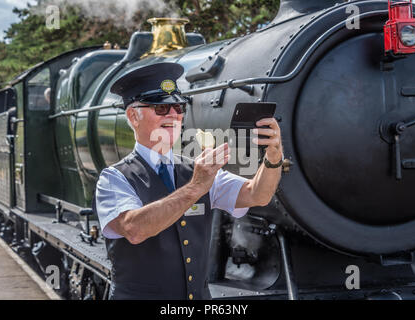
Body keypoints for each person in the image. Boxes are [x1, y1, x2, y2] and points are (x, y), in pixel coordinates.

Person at [94, 62, 284, 300]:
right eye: (161, 108)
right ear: (133, 115)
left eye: (178, 106)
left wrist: (273, 156)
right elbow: (134, 229)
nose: (174, 115)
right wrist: (196, 187)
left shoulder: (197, 170)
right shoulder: (114, 178)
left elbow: (257, 194)